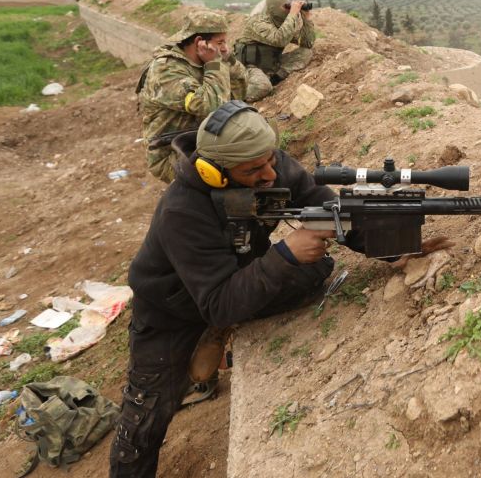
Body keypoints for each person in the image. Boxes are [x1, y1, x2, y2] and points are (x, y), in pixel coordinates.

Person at [108, 103, 361, 477]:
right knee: (147, 413)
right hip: (172, 311)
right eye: (254, 170)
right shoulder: (182, 212)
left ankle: (215, 342)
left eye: (271, 160)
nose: (270, 174)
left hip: (229, 280)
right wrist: (284, 255)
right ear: (216, 173)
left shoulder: (260, 161)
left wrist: (391, 245)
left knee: (317, 266)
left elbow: (324, 204)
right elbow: (218, 303)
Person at [138, 9, 271, 183]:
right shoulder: (165, 69)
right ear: (200, 42)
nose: (224, 47)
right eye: (220, 41)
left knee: (263, 149)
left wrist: (227, 59)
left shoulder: (205, 61)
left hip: (204, 140)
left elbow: (240, 87)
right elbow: (213, 109)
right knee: (241, 170)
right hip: (174, 152)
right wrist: (215, 64)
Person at [234, 0, 317, 84]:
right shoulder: (258, 22)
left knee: (305, 52)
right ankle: (235, 94)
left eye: (288, 6)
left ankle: (275, 78)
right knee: (262, 86)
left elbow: (307, 43)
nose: (288, 9)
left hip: (271, 64)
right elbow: (279, 40)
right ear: (273, 8)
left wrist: (307, 19)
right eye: (285, 7)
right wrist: (293, 14)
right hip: (251, 67)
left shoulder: (284, 21)